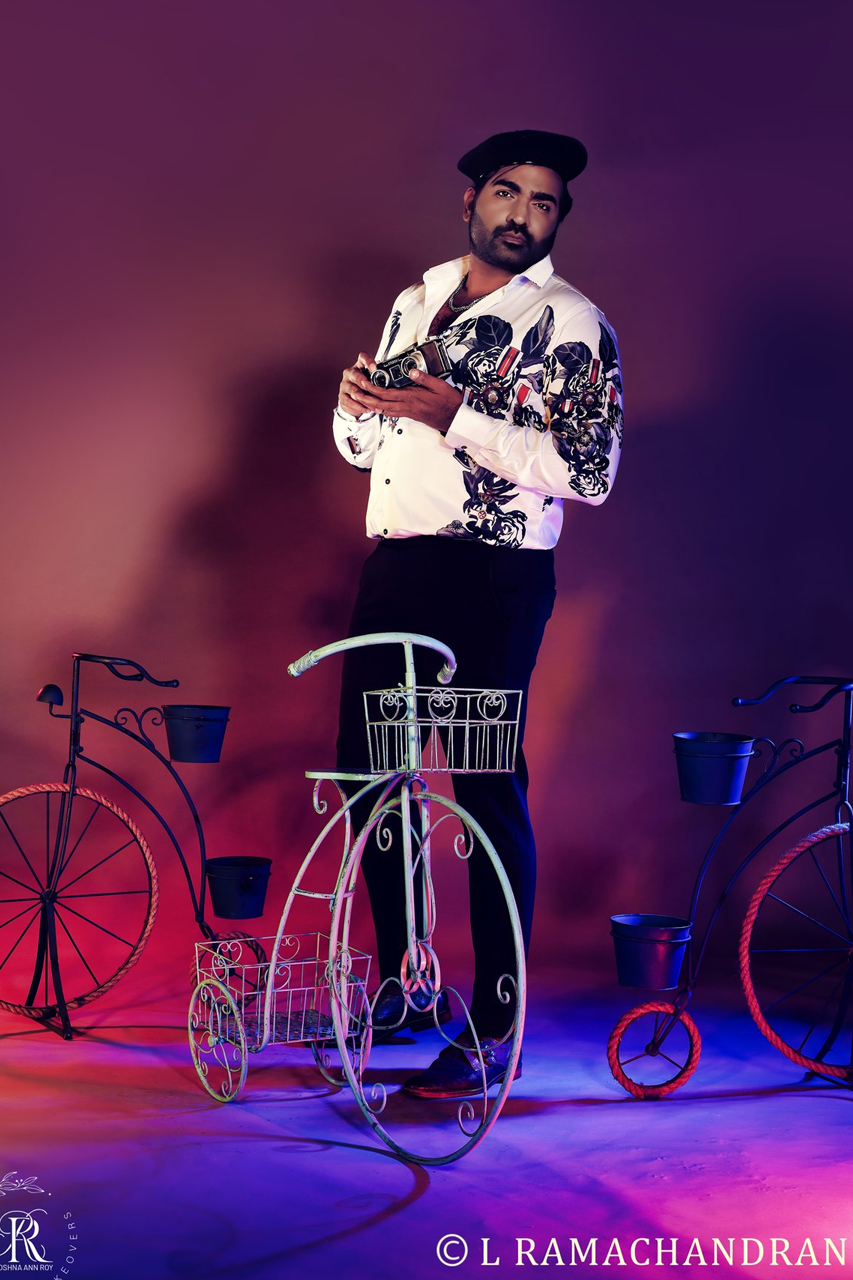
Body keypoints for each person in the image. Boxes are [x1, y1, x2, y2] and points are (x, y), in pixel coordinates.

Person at [332, 129, 623, 1099]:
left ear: (558, 218)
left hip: (491, 581)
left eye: (543, 202)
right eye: (506, 192)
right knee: (375, 777)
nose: (521, 215)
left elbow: (590, 471)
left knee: (483, 786)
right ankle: (407, 988)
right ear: (470, 199)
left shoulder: (571, 322)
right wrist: (356, 408)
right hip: (398, 567)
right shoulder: (416, 299)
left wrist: (451, 415)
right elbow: (365, 447)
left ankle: (497, 1027)